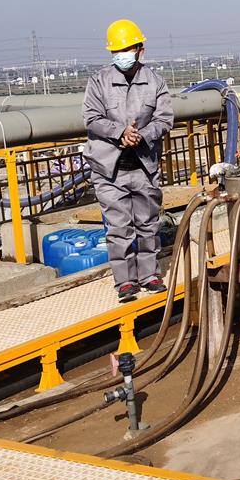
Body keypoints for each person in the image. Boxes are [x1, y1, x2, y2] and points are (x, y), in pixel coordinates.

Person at [83, 19, 174, 302]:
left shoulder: (155, 82)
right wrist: (120, 132)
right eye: (116, 50)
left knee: (148, 223)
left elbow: (165, 118)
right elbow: (91, 118)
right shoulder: (99, 82)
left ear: (139, 49)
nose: (121, 55)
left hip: (143, 166)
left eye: (126, 49)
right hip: (110, 169)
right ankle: (125, 282)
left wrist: (141, 135)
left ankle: (150, 275)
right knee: (118, 228)